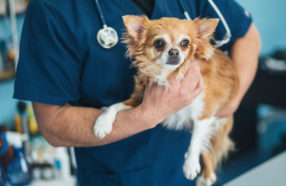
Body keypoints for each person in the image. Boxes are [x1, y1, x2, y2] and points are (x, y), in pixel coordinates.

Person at [14, 0, 261, 185]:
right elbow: (53, 123)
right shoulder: (53, 8)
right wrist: (146, 114)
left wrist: (229, 101)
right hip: (119, 177)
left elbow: (247, 35)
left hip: (190, 170)